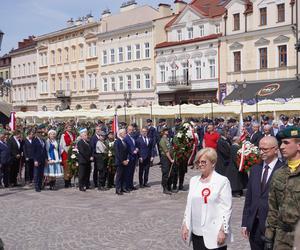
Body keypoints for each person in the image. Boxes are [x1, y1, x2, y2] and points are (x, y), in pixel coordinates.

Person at [181, 148, 232, 250]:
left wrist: (223, 230)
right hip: (196, 232)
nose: (200, 164)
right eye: (198, 162)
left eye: (203, 161)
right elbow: (189, 205)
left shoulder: (222, 181)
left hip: (215, 233)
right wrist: (185, 224)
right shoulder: (194, 181)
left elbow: (227, 209)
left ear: (213, 163)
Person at [241, 136, 283, 250]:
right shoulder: (255, 169)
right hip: (254, 225)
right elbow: (249, 199)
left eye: (265, 149)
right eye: (260, 149)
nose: (261, 152)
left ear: (275, 149)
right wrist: (245, 222)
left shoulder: (283, 170)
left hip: (273, 227)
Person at [264, 127, 300, 250]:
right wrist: (269, 235)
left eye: (286, 143)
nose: (281, 147)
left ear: (299, 145)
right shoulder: (278, 174)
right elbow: (273, 208)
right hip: (282, 238)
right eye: (281, 143)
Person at [32, 125, 48, 192]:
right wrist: (35, 160)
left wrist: (46, 159)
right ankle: (36, 186)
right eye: (39, 133)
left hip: (42, 159)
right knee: (36, 174)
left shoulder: (43, 141)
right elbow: (33, 151)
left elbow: (45, 150)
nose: (41, 134)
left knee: (41, 174)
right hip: (37, 159)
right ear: (37, 134)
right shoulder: (35, 140)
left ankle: (40, 185)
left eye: (41, 133)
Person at [159, 127, 175, 195]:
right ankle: (164, 188)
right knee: (166, 173)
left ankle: (169, 187)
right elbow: (166, 151)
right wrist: (171, 159)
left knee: (171, 173)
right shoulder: (162, 140)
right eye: (165, 130)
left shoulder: (167, 139)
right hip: (165, 158)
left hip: (169, 157)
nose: (167, 131)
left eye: (167, 130)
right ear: (163, 132)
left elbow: (170, 148)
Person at [60, 124, 76, 188]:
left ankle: (69, 181)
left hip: (73, 152)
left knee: (72, 167)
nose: (70, 128)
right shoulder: (63, 135)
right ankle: (66, 182)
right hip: (66, 153)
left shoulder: (73, 135)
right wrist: (69, 151)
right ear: (66, 128)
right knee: (67, 168)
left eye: (71, 127)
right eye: (69, 127)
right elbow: (63, 145)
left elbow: (75, 143)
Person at [114, 129, 129, 195]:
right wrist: (122, 161)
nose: (125, 134)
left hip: (125, 161)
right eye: (124, 133)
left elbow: (127, 152)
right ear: (120, 134)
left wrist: (127, 160)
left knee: (124, 175)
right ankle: (118, 189)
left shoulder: (124, 141)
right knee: (119, 176)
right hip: (120, 162)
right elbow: (117, 153)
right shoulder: (117, 141)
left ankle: (123, 188)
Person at [124, 125, 139, 191]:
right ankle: (127, 186)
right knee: (128, 172)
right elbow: (126, 148)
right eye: (130, 130)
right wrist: (133, 152)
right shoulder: (126, 137)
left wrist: (136, 149)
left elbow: (134, 145)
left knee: (132, 172)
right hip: (129, 157)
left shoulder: (133, 137)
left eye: (132, 130)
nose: (131, 131)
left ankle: (131, 185)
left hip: (134, 157)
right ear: (127, 130)